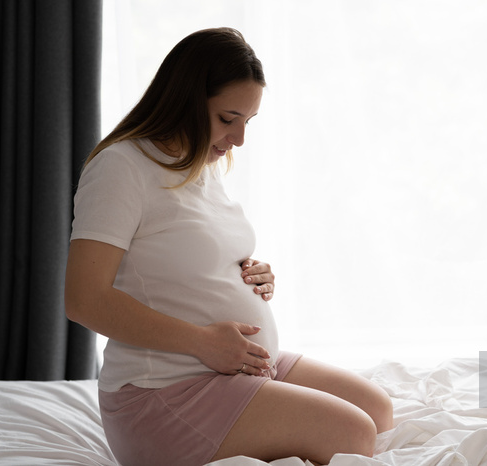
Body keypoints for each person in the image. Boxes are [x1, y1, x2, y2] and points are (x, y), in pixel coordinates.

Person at [64, 27, 393, 466]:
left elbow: (182, 255)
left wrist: (248, 272)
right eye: (227, 118)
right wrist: (203, 342)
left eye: (247, 122)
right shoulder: (121, 167)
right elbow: (84, 300)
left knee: (378, 409)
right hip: (164, 391)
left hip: (234, 365)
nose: (239, 139)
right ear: (184, 99)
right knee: (353, 432)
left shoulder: (202, 164)